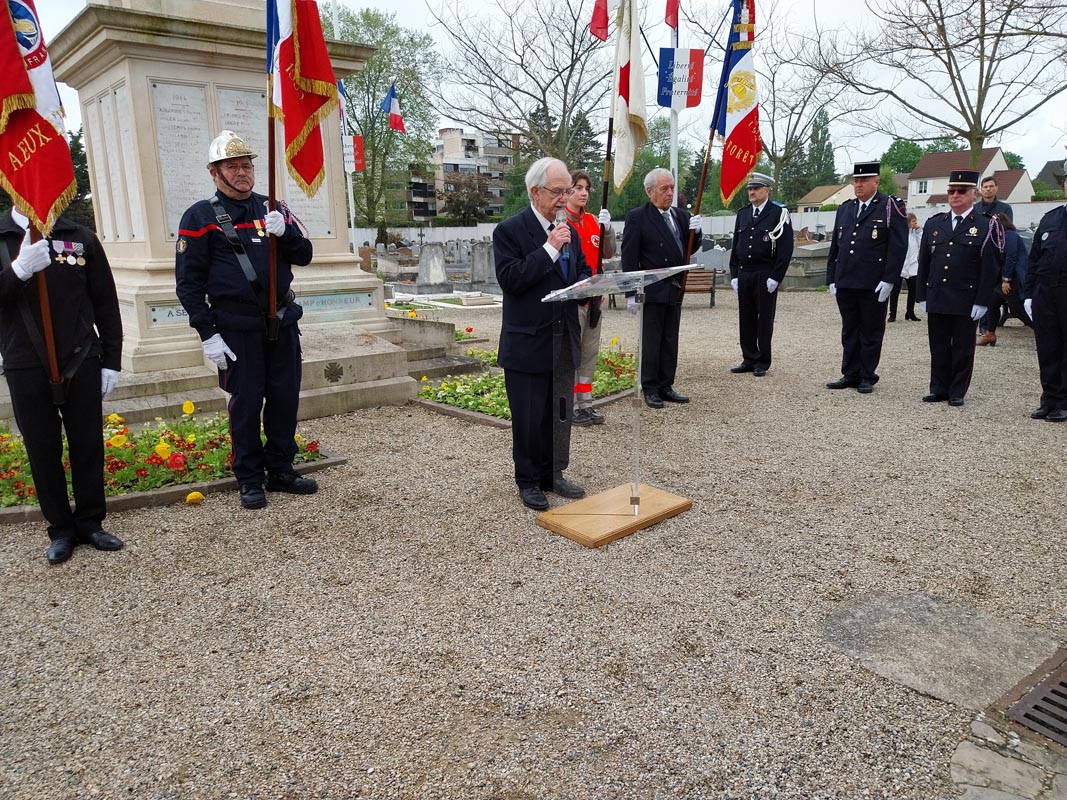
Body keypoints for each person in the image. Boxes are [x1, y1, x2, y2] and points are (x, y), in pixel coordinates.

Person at [175, 130, 317, 510]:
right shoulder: (200, 216)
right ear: (214, 173)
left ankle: (281, 469)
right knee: (247, 404)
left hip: (282, 322)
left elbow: (304, 255)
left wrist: (286, 232)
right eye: (232, 167)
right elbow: (188, 284)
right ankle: (250, 478)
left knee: (284, 400)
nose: (242, 173)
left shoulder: (273, 207)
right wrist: (207, 333)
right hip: (237, 327)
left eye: (247, 166)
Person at [0, 206, 124, 564]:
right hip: (25, 361)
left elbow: (105, 301)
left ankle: (90, 522)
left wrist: (111, 360)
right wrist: (18, 270)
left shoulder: (80, 237)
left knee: (88, 444)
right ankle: (60, 529)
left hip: (80, 358)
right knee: (42, 448)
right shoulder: (2, 238)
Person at [493, 157, 591, 511]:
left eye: (568, 191)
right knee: (529, 416)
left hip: (563, 337)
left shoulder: (570, 231)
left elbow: (581, 270)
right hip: (528, 341)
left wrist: (588, 285)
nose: (565, 198)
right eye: (558, 191)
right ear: (535, 191)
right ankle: (529, 480)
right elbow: (511, 279)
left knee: (558, 413)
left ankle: (553, 473)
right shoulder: (510, 231)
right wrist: (549, 248)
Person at [916, 169, 1003, 407]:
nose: (955, 195)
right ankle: (938, 388)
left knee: (963, 348)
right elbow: (924, 262)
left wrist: (983, 301)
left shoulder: (986, 225)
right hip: (937, 295)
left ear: (974, 194)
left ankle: (957, 390)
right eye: (951, 191)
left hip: (966, 297)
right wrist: (921, 294)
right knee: (939, 345)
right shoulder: (935, 223)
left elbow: (991, 267)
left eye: (961, 191)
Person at [824, 162, 908, 393]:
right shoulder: (846, 209)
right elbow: (836, 246)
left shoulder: (890, 207)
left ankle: (867, 375)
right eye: (856, 181)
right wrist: (832, 277)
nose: (858, 185)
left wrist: (889, 279)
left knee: (870, 331)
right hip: (846, 279)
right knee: (849, 330)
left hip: (873, 281)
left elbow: (898, 247)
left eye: (864, 180)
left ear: (876, 181)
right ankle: (850, 373)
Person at [621, 168, 702, 406]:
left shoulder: (680, 216)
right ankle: (650, 387)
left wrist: (697, 232)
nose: (669, 193)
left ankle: (666, 384)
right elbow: (629, 256)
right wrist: (630, 292)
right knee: (652, 340)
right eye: (664, 188)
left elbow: (689, 248)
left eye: (672, 188)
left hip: (675, 286)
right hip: (652, 288)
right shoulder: (638, 217)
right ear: (650, 191)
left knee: (669, 338)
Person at [728, 173, 793, 377]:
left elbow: (785, 248)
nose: (752, 192)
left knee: (764, 317)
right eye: (750, 189)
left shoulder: (778, 213)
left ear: (766, 190)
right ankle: (749, 358)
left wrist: (776, 276)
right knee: (746, 317)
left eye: (756, 189)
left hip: (765, 272)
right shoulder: (743, 213)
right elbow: (736, 244)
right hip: (745, 271)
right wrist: (734, 273)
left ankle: (762, 360)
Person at [565, 169, 615, 427]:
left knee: (589, 352)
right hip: (574, 299)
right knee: (572, 353)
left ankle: (585, 403)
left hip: (595, 297)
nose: (583, 193)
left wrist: (608, 229)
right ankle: (571, 405)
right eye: (578, 188)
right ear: (568, 191)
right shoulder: (562, 221)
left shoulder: (594, 220)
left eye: (586, 188)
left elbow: (608, 253)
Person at [1022, 163, 1067, 422]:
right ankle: (1049, 398)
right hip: (1045, 293)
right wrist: (1028, 294)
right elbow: (1034, 260)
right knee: (1048, 348)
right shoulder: (1051, 218)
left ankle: (1064, 402)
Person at [977, 213, 1030, 346]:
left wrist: (1006, 280)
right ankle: (990, 333)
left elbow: (1011, 257)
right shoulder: (999, 237)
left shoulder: (1010, 236)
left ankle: (1044, 331)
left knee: (1017, 308)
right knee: (992, 303)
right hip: (1004, 277)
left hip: (1014, 277)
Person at [889, 212, 923, 323]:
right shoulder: (901, 234)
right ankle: (892, 313)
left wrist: (919, 231)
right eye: (913, 221)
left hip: (913, 266)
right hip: (900, 266)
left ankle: (910, 312)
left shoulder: (916, 234)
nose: (915, 223)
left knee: (913, 291)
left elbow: (922, 244)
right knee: (895, 291)